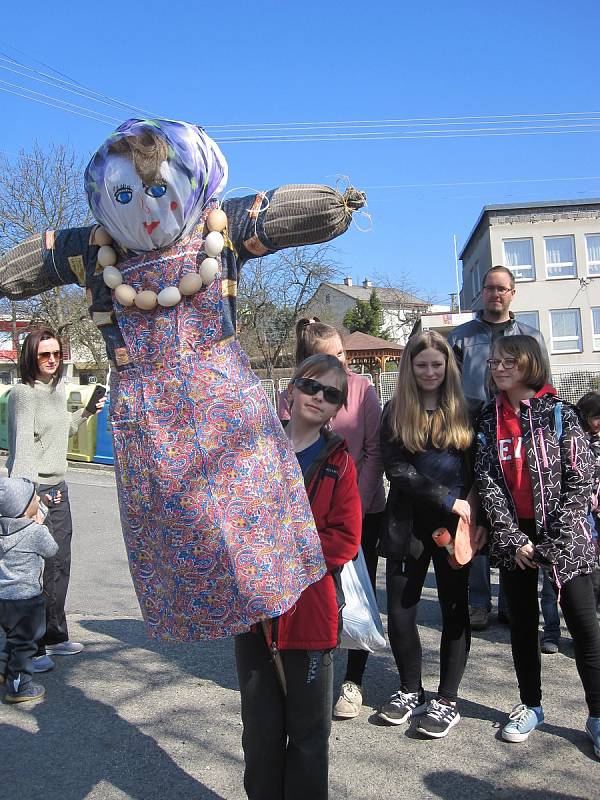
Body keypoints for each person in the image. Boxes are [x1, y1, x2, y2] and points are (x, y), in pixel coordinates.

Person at [235, 353, 362, 799]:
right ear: (291, 389)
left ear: (337, 408)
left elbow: (344, 537)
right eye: (311, 386)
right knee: (261, 733)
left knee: (309, 738)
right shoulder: (254, 449)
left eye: (332, 394)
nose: (319, 398)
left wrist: (282, 561)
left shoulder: (338, 461)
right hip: (255, 616)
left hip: (309, 618)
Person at [475, 335, 600, 756]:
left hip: (565, 539)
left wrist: (555, 540)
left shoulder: (561, 414)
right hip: (516, 541)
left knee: (584, 626)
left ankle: (597, 715)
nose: (500, 367)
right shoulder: (488, 419)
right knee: (523, 626)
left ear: (530, 363)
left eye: (509, 360)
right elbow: (488, 480)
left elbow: (581, 481)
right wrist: (512, 540)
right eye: (495, 361)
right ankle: (531, 705)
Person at [378, 331, 486, 738]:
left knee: (454, 610)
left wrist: (475, 517)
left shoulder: (470, 411)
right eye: (420, 365)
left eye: (436, 365)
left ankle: (447, 699)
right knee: (401, 612)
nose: (428, 372)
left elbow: (480, 471)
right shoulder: (394, 412)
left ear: (448, 368)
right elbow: (397, 470)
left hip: (454, 527)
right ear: (409, 367)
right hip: (407, 523)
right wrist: (445, 498)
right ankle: (410, 690)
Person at [278, 318, 385, 719]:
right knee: (313, 598)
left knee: (356, 597)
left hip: (358, 504)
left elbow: (374, 449)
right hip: (305, 513)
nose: (340, 363)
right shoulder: (295, 394)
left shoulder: (361, 389)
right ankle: (297, 660)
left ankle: (353, 681)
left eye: (342, 354)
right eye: (329, 356)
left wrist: (355, 498)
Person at [447, 264, 549, 631]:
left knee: (516, 513)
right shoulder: (460, 338)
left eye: (502, 288)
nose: (495, 294)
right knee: (476, 515)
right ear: (482, 293)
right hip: (472, 434)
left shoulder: (531, 336)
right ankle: (478, 602)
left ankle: (511, 598)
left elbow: (543, 388)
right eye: (489, 288)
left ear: (513, 293)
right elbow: (448, 390)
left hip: (518, 435)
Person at [7, 328, 105, 671]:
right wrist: (27, 499)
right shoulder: (23, 394)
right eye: (43, 355)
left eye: (56, 354)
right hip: (36, 492)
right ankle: (29, 648)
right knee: (32, 571)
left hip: (59, 490)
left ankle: (54, 635)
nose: (51, 361)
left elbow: (62, 432)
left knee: (59, 565)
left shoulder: (54, 392)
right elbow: (21, 448)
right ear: (30, 358)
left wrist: (88, 411)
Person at [0, 476, 58, 703]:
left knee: (8, 637)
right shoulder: (36, 532)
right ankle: (19, 686)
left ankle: (3, 670)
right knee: (25, 642)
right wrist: (41, 525)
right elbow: (52, 550)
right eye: (34, 498)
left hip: (3, 596)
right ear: (24, 508)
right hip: (27, 599)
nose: (37, 499)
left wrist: (42, 507)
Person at [577, 391, 600, 614]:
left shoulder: (596, 440)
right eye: (596, 417)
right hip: (582, 512)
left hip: (594, 510)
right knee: (589, 566)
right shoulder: (575, 438)